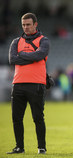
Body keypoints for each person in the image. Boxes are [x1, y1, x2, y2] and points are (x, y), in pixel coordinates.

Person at [7, 13, 50, 154]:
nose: (25, 27)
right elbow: (12, 60)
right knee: (16, 118)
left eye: (28, 24)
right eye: (23, 25)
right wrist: (32, 57)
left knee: (38, 117)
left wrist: (22, 55)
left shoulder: (44, 40)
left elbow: (40, 55)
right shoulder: (16, 42)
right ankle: (19, 147)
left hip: (36, 84)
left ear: (35, 24)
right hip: (18, 84)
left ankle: (41, 147)